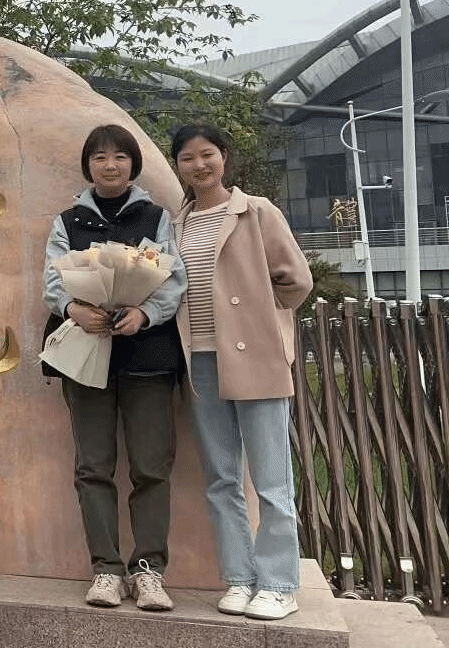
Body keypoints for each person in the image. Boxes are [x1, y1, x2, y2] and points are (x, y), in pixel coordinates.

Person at [170, 123, 313, 621]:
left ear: (224, 157)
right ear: (178, 166)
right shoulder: (178, 224)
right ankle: (238, 577)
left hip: (254, 356)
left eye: (207, 154)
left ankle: (278, 584)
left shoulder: (256, 212)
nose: (199, 165)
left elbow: (296, 281)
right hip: (201, 359)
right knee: (221, 477)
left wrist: (263, 318)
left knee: (272, 480)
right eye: (188, 158)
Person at [43, 124, 187, 611]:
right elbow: (52, 279)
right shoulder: (68, 221)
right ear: (88, 166)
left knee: (151, 466)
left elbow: (173, 277)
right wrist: (72, 308)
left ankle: (149, 570)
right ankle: (105, 568)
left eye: (120, 156)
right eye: (100, 157)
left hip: (148, 356)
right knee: (93, 466)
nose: (110, 165)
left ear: (134, 164)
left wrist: (145, 314)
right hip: (86, 355)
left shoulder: (156, 217)